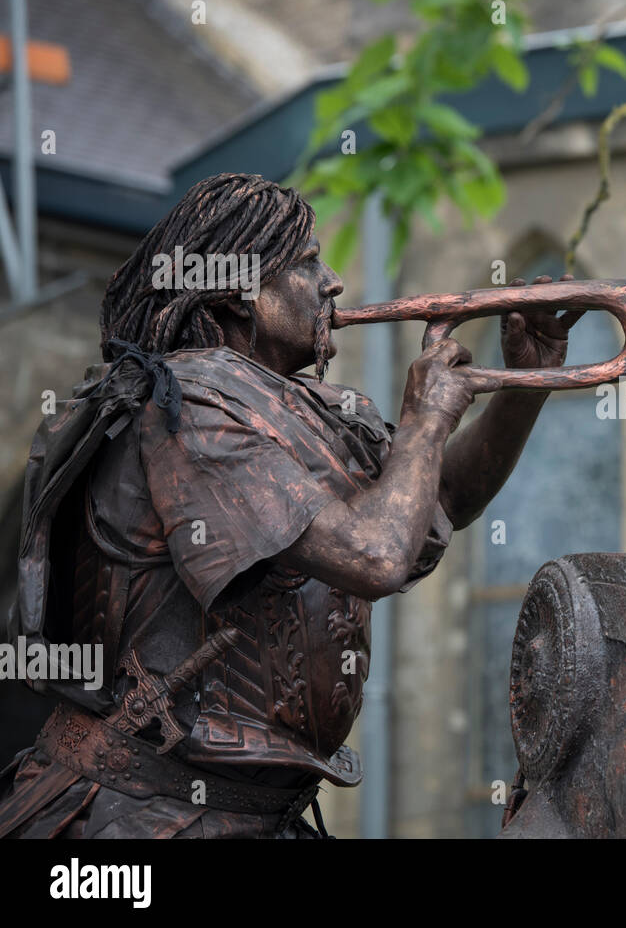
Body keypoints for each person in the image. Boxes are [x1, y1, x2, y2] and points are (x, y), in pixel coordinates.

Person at [0, 172, 575, 837]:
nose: (331, 282)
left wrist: (525, 384)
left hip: (250, 814)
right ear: (237, 291)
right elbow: (376, 554)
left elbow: (436, 496)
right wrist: (423, 420)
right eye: (305, 264)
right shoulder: (188, 403)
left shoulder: (289, 406)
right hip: (142, 818)